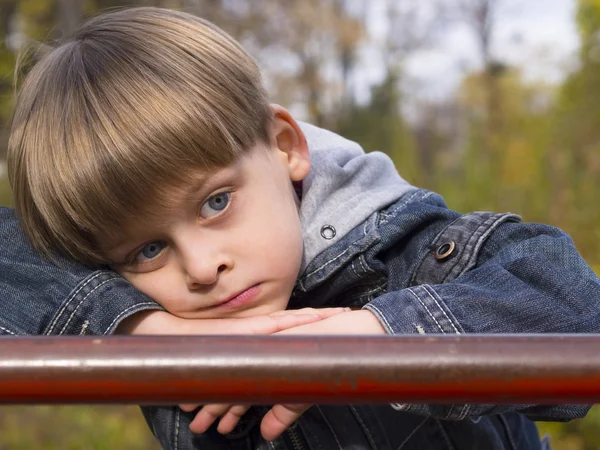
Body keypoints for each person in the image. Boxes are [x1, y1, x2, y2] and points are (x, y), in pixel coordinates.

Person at [4, 6, 600, 450]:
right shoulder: (148, 307)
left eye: (215, 203)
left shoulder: (401, 253)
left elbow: (575, 305)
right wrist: (140, 326)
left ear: (285, 146)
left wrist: (373, 340)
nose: (203, 267)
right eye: (150, 248)